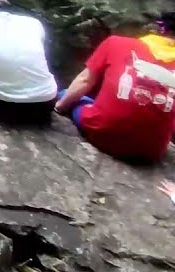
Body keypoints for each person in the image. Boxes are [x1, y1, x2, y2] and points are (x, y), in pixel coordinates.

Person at [55, 13, 175, 163]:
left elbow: (84, 80)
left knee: (65, 93)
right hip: (152, 150)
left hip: (103, 132)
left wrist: (59, 108)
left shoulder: (116, 43)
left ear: (159, 28)